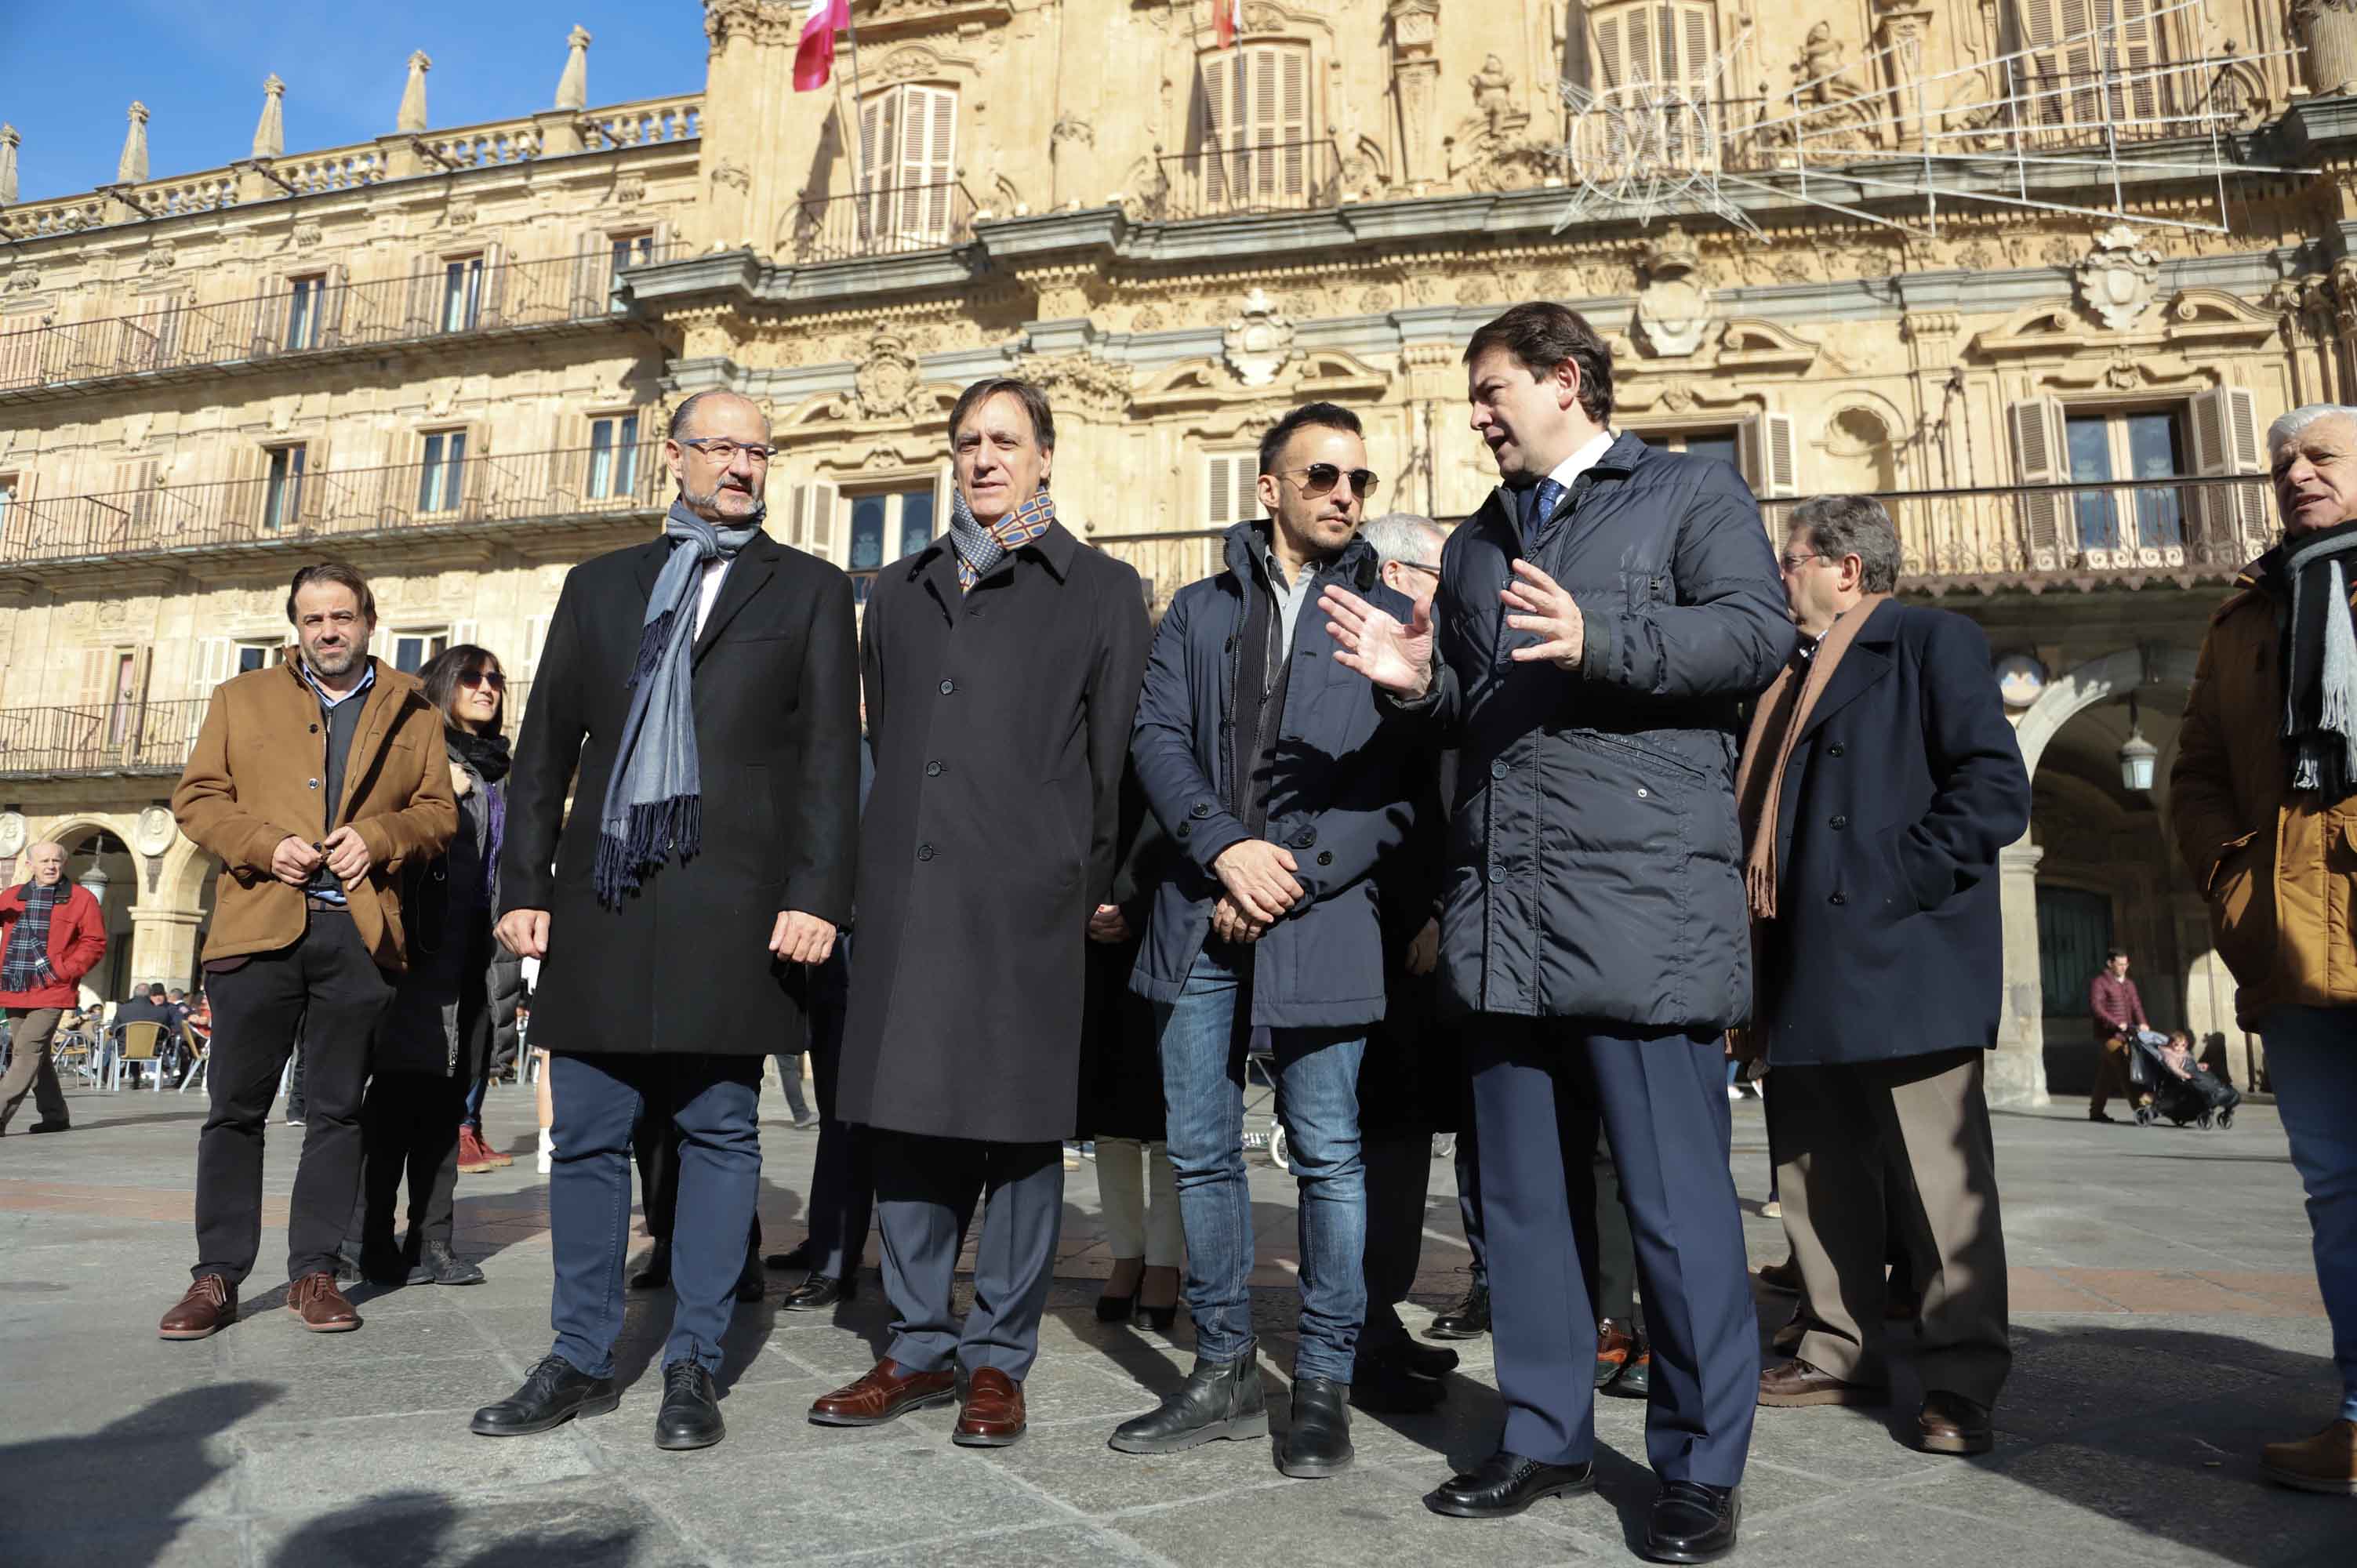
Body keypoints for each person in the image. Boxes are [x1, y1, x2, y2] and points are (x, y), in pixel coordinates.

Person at [1320, 302, 1790, 1560]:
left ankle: (1698, 1464)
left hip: (1641, 909)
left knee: (1676, 1204)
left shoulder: (1689, 492)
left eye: (1492, 389)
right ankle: (1541, 1433)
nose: (1477, 413)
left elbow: (1755, 635)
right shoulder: (1477, 541)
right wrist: (1420, 688)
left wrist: (1603, 639)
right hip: (1505, 915)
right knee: (1521, 1205)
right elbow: (1481, 701)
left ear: (1566, 380)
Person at [470, 389, 859, 1453]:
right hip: (603, 894)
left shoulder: (813, 589)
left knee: (719, 1132)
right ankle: (580, 1356)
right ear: (672, 455)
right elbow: (544, 747)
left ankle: (692, 1360)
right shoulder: (599, 588)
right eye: (721, 446)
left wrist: (819, 894)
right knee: (589, 1134)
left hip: (737, 904)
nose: (741, 465)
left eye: (758, 451)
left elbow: (831, 757)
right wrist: (521, 888)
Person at [811, 377, 1149, 1449]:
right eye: (967, 442)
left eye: (1006, 441)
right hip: (907, 899)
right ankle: (915, 1345)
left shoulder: (1099, 588)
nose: (984, 458)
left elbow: (1116, 758)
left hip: (1029, 901)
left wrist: (1101, 885)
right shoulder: (900, 591)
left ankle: (998, 1359)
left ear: (1045, 457)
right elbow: (884, 745)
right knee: (903, 1122)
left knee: (1016, 1132)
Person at [1113, 403, 1425, 1479]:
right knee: (1199, 1150)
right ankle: (1225, 1366)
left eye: (1359, 480)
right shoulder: (1196, 612)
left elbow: (1395, 787)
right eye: (1323, 475)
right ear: (1270, 490)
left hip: (1324, 915)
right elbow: (1155, 740)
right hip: (1197, 909)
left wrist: (1283, 871)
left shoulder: (1389, 617)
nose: (1345, 494)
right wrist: (1223, 851)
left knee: (1330, 1156)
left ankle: (1326, 1383)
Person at [1737, 495, 2030, 1456]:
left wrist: (1891, 881)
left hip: (1903, 955)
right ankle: (1838, 1346)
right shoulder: (1784, 671)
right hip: (1800, 957)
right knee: (1813, 1169)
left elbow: (1993, 787)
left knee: (1939, 1184)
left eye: (1792, 561)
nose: (1781, 578)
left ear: (1845, 568)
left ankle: (1961, 1377)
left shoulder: (1926, 639)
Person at [161, 560, 459, 1341]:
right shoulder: (241, 696)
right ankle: (216, 1275)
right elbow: (197, 796)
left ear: (369, 621)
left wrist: (381, 836)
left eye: (342, 616)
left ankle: (315, 1272)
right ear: (298, 628)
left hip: (356, 935)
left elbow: (439, 812)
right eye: (313, 619)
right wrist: (263, 842)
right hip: (258, 925)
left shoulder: (414, 709)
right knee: (234, 1109)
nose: (328, 630)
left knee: (338, 1110)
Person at [2170, 401, 2357, 1494]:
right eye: (2280, 461)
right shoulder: (2244, 619)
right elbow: (2192, 772)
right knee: (2337, 1188)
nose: (2294, 475)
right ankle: (2353, 1414)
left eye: (2320, 457)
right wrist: (2228, 881)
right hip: (2289, 948)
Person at [1347, 512, 1465, 1412]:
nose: (1446, 582)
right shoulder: (1371, 647)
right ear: (1396, 572)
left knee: (1403, 1138)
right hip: (1378, 931)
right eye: (1436, 566)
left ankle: (1377, 1320)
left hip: (1417, 930)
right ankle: (1361, 1332)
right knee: (1376, 1142)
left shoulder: (1421, 650)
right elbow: (1394, 795)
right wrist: (1422, 907)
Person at [354, 644, 517, 1289]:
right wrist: (434, 793)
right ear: (443, 684)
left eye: (496, 679)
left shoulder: (501, 770)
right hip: (419, 951)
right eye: (473, 678)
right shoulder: (415, 756)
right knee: (397, 1097)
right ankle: (365, 1239)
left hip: (480, 951)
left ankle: (434, 1240)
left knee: (451, 1104)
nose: (487, 688)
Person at [764, 720, 877, 1312]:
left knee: (852, 1107)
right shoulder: (833, 744)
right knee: (839, 1107)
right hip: (833, 946)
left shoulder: (870, 747)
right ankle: (831, 1243)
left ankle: (838, 1254)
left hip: (862, 943)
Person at [1082, 773, 1182, 1332]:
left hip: (1171, 919)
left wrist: (1136, 907)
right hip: (1095, 933)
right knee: (1110, 1113)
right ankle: (1127, 1254)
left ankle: (1165, 1262)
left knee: (1173, 1113)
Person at [1, 840, 107, 1135]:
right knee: (36, 1055)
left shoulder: (82, 899)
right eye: (44, 861)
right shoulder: (11, 897)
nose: (51, 866)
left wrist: (63, 970)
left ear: (64, 864)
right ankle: (55, 1114)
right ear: (30, 865)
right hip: (15, 985)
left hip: (53, 987)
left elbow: (94, 942)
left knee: (27, 1050)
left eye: (56, 861)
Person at [2087, 949, 2153, 1123]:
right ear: (2110, 964)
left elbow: (2136, 1006)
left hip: (2126, 1035)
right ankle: (2140, 1109)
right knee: (2124, 1068)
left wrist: (2143, 1023)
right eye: (2120, 964)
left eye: (2126, 964)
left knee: (2106, 1074)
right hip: (2108, 1036)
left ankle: (2096, 1112)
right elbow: (2097, 1007)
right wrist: (2116, 1022)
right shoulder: (2100, 983)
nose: (2124, 968)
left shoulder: (2129, 984)